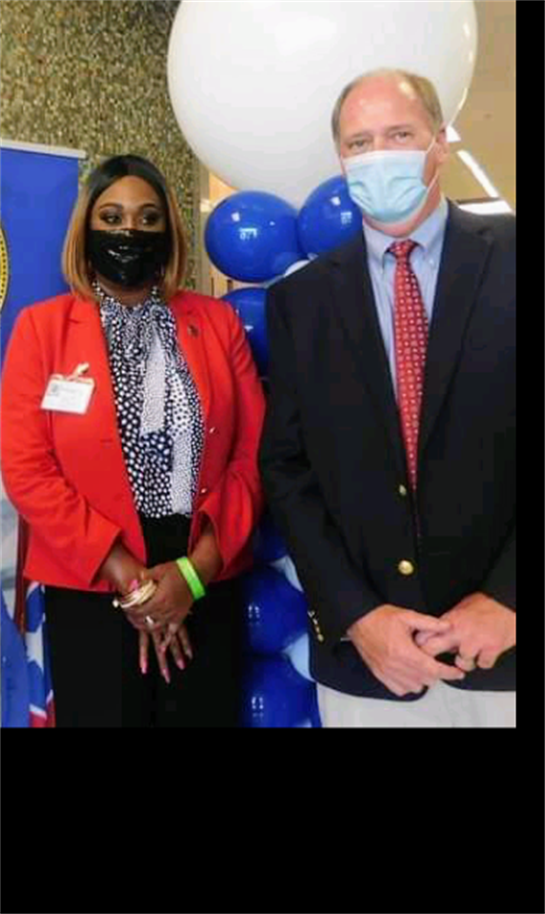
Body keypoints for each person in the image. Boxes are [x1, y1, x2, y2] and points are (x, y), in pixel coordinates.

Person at [259, 70, 516, 727]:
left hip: (505, 653)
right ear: (341, 159)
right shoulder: (301, 301)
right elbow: (288, 470)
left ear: (439, 141)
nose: (378, 155)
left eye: (398, 134)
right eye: (359, 142)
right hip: (368, 666)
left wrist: (508, 599)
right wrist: (355, 615)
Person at [0, 154, 265, 727]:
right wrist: (129, 576)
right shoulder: (42, 330)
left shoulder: (216, 325)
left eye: (148, 219)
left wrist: (192, 575)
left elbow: (252, 456)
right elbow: (26, 467)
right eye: (112, 216)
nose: (130, 231)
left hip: (203, 577)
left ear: (169, 231)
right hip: (93, 580)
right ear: (86, 228)